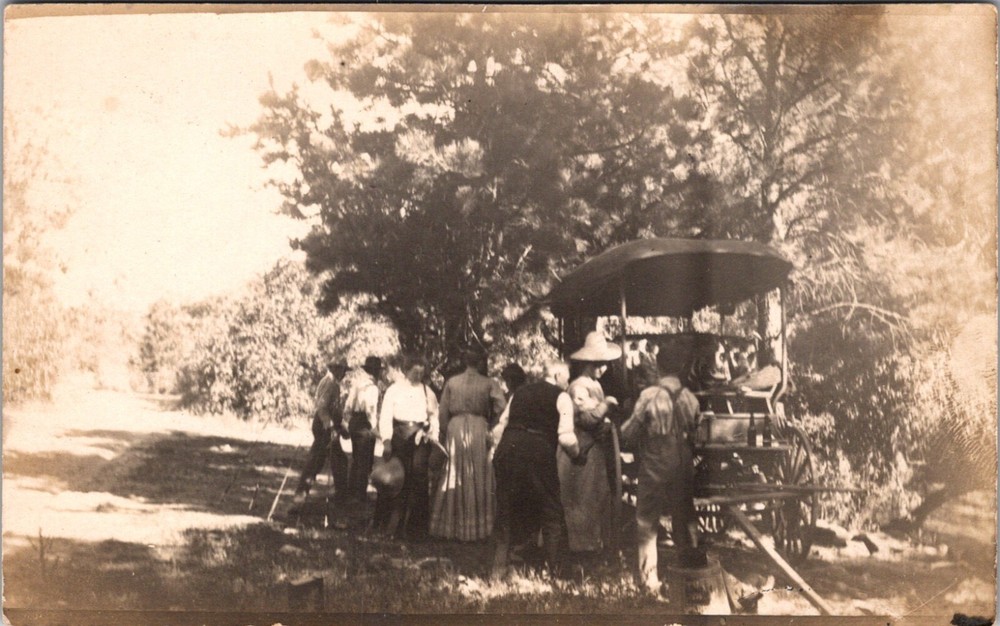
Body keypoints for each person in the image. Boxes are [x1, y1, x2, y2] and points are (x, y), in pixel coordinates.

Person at [621, 364, 706, 595]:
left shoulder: (650, 396)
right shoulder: (690, 398)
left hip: (656, 458)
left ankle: (649, 582)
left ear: (660, 371)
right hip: (684, 460)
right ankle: (691, 578)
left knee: (647, 519)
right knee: (685, 516)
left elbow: (629, 433)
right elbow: (698, 432)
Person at [491, 361, 580, 578]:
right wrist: (578, 455)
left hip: (508, 449)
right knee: (551, 512)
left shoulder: (520, 393)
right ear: (558, 374)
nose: (567, 383)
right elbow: (566, 438)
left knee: (507, 510)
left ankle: (499, 569)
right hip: (537, 451)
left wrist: (496, 451)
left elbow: (499, 427)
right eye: (566, 378)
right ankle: (558, 571)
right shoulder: (562, 397)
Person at [430, 349, 507, 541]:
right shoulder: (489, 383)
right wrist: (493, 425)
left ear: (465, 361)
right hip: (479, 427)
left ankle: (452, 527)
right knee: (478, 472)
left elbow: (443, 412)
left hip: (455, 427)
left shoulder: (452, 382)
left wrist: (445, 430)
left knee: (454, 469)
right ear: (480, 363)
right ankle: (478, 529)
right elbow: (503, 408)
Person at [559, 331, 620, 553]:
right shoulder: (579, 386)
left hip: (595, 446)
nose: (604, 368)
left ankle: (592, 544)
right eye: (599, 363)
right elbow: (585, 418)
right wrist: (606, 406)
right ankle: (579, 547)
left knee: (595, 494)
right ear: (589, 363)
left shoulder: (594, 384)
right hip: (581, 446)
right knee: (581, 495)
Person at [375, 356, 439, 540]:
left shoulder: (428, 392)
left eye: (421, 372)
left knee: (418, 480)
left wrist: (432, 433)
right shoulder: (394, 390)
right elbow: (385, 416)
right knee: (396, 480)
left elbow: (434, 417)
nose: (418, 375)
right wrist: (386, 441)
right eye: (415, 372)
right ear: (406, 370)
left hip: (420, 438)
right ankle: (390, 527)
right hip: (399, 436)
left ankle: (416, 530)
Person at [293, 360, 349, 504]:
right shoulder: (329, 383)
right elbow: (322, 407)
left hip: (329, 426)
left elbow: (334, 409)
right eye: (343, 371)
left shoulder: (333, 383)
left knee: (336, 460)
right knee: (318, 460)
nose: (344, 374)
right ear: (336, 369)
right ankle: (301, 494)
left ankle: (341, 494)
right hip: (324, 427)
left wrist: (341, 427)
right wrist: (329, 425)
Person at [345, 356, 383, 504]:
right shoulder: (372, 388)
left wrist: (347, 422)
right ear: (375, 371)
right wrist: (374, 427)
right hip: (365, 424)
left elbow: (348, 405)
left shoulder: (357, 384)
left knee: (356, 458)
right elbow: (370, 410)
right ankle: (359, 495)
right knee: (364, 461)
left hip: (355, 422)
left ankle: (352, 491)